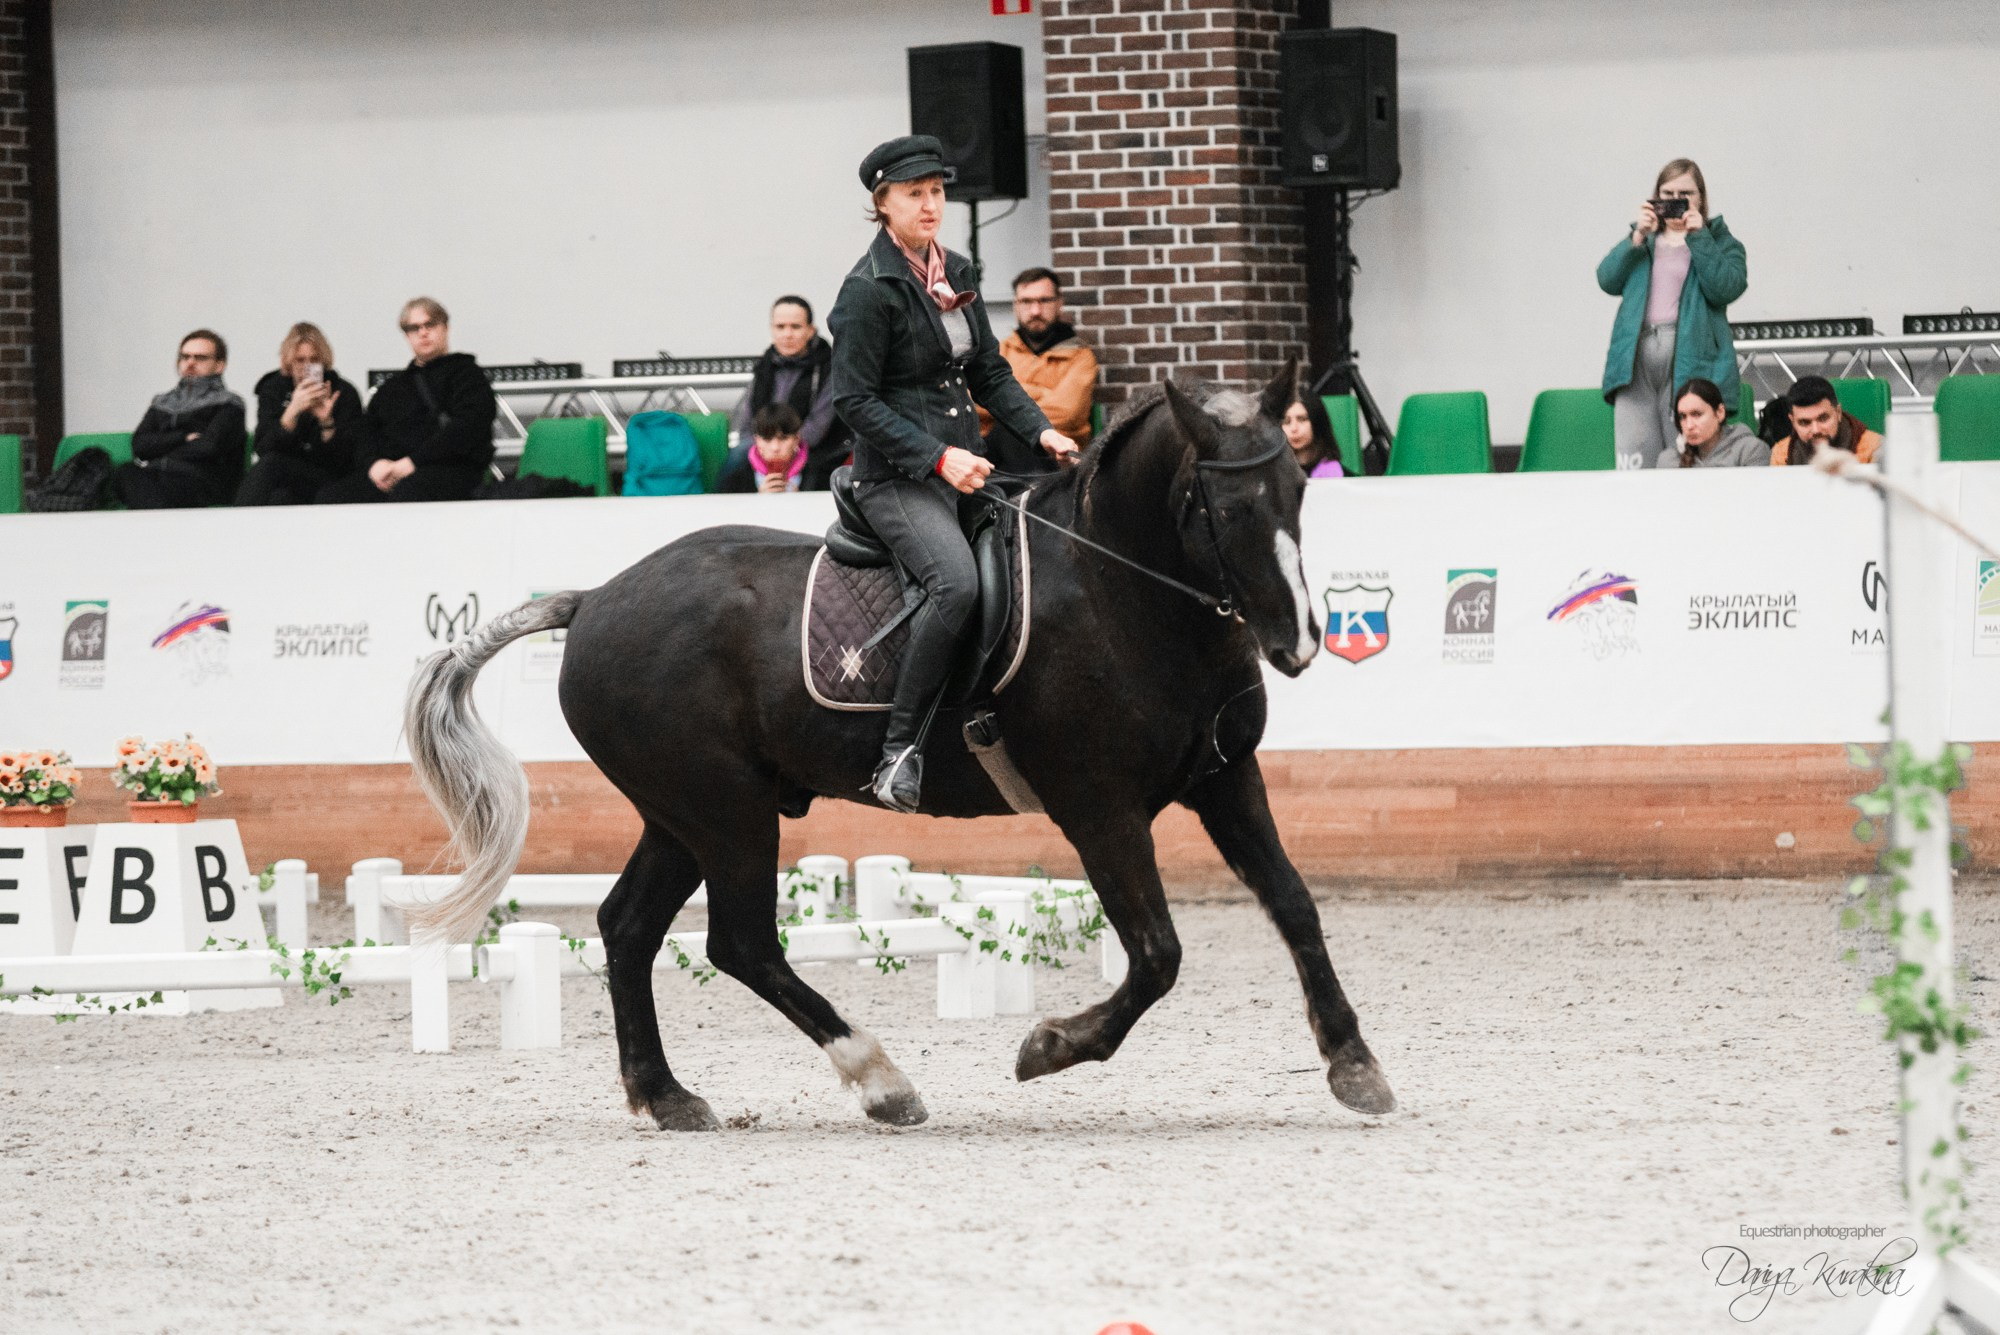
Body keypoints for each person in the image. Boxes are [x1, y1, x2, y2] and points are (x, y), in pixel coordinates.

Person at [829, 134, 1079, 813]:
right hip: (896, 479)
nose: (931, 203)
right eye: (915, 193)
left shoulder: (955, 267)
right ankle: (900, 751)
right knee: (956, 584)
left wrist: (1042, 429)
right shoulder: (866, 291)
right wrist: (937, 456)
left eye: (937, 190)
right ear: (882, 204)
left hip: (967, 469)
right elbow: (852, 402)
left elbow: (988, 371)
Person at [1597, 158, 1748, 470]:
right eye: (1667, 193)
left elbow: (1727, 288)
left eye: (1685, 193)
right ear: (1656, 197)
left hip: (1690, 360)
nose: (1675, 200)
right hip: (1635, 361)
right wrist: (1637, 237)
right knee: (1633, 458)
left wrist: (1700, 237)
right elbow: (1607, 279)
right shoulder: (1643, 240)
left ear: (1701, 198)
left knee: (1683, 457)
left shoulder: (1720, 241)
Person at [316, 298, 497, 504]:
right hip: (393, 472)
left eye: (430, 324)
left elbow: (468, 427)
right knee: (331, 497)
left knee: (408, 493)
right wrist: (373, 464)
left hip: (451, 470)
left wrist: (412, 463)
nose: (423, 332)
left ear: (445, 327)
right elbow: (365, 432)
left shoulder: (467, 375)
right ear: (406, 335)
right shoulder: (390, 389)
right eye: (414, 328)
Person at [976, 267, 1098, 472]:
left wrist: (1005, 397)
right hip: (996, 457)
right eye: (1026, 301)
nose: (1035, 311)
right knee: (1009, 434)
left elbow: (1069, 413)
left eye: (1044, 301)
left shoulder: (1080, 357)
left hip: (1057, 459)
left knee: (1019, 430)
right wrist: (1043, 394)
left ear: (1059, 303)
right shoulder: (1001, 351)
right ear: (1015, 305)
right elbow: (973, 401)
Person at [115, 329, 247, 509]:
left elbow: (209, 448)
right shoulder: (162, 402)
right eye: (185, 357)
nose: (190, 362)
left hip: (201, 479)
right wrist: (183, 438)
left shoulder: (230, 403)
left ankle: (155, 525)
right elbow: (139, 445)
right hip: (157, 476)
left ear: (219, 365)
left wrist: (159, 450)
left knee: (167, 486)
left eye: (200, 358)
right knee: (125, 472)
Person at [728, 295, 848, 492]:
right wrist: (764, 449)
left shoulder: (830, 367)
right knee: (739, 456)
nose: (787, 334)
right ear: (771, 330)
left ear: (811, 331)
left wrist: (782, 448)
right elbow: (746, 424)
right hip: (766, 444)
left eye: (795, 327)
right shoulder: (764, 366)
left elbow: (816, 429)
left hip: (813, 449)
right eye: (780, 327)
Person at [236, 322, 364, 505]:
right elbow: (263, 448)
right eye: (300, 360)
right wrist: (291, 413)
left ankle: (237, 521)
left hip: (328, 476)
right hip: (284, 473)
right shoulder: (274, 389)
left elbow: (347, 460)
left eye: (314, 360)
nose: (307, 367)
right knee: (280, 497)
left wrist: (326, 422)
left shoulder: (342, 392)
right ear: (289, 362)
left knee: (272, 466)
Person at [1657, 378, 1769, 468]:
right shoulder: (1668, 460)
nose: (1689, 425)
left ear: (1720, 412)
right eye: (1682, 417)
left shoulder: (1750, 450)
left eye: (1696, 414)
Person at [1770, 375, 1880, 466]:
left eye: (1823, 419)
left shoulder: (1874, 448)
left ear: (1838, 413)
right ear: (1792, 421)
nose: (1816, 430)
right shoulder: (1782, 453)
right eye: (1804, 422)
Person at [716, 403, 810, 493]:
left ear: (796, 439)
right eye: (767, 439)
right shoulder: (736, 478)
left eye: (783, 439)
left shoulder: (818, 474)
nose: (775, 448)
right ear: (757, 441)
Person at [1282, 393, 1343, 478]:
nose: (1294, 428)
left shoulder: (1337, 475)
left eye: (1302, 419)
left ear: (1317, 422)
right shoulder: (1273, 473)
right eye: (1286, 421)